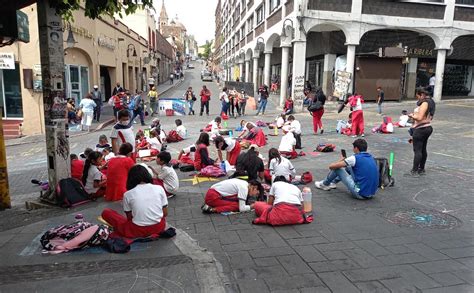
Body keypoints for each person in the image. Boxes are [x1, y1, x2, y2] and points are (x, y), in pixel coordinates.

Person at [101, 165, 168, 238]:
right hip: (159, 228)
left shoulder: (127, 194)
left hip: (137, 231)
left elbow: (130, 218)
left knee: (106, 212)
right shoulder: (159, 188)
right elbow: (165, 213)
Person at [407, 88, 435, 177]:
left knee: (418, 150)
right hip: (427, 127)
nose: (418, 98)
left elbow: (419, 118)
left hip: (421, 129)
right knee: (423, 149)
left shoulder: (425, 103)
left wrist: (412, 115)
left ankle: (414, 170)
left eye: (418, 96)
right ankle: (421, 168)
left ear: (422, 95)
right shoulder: (431, 102)